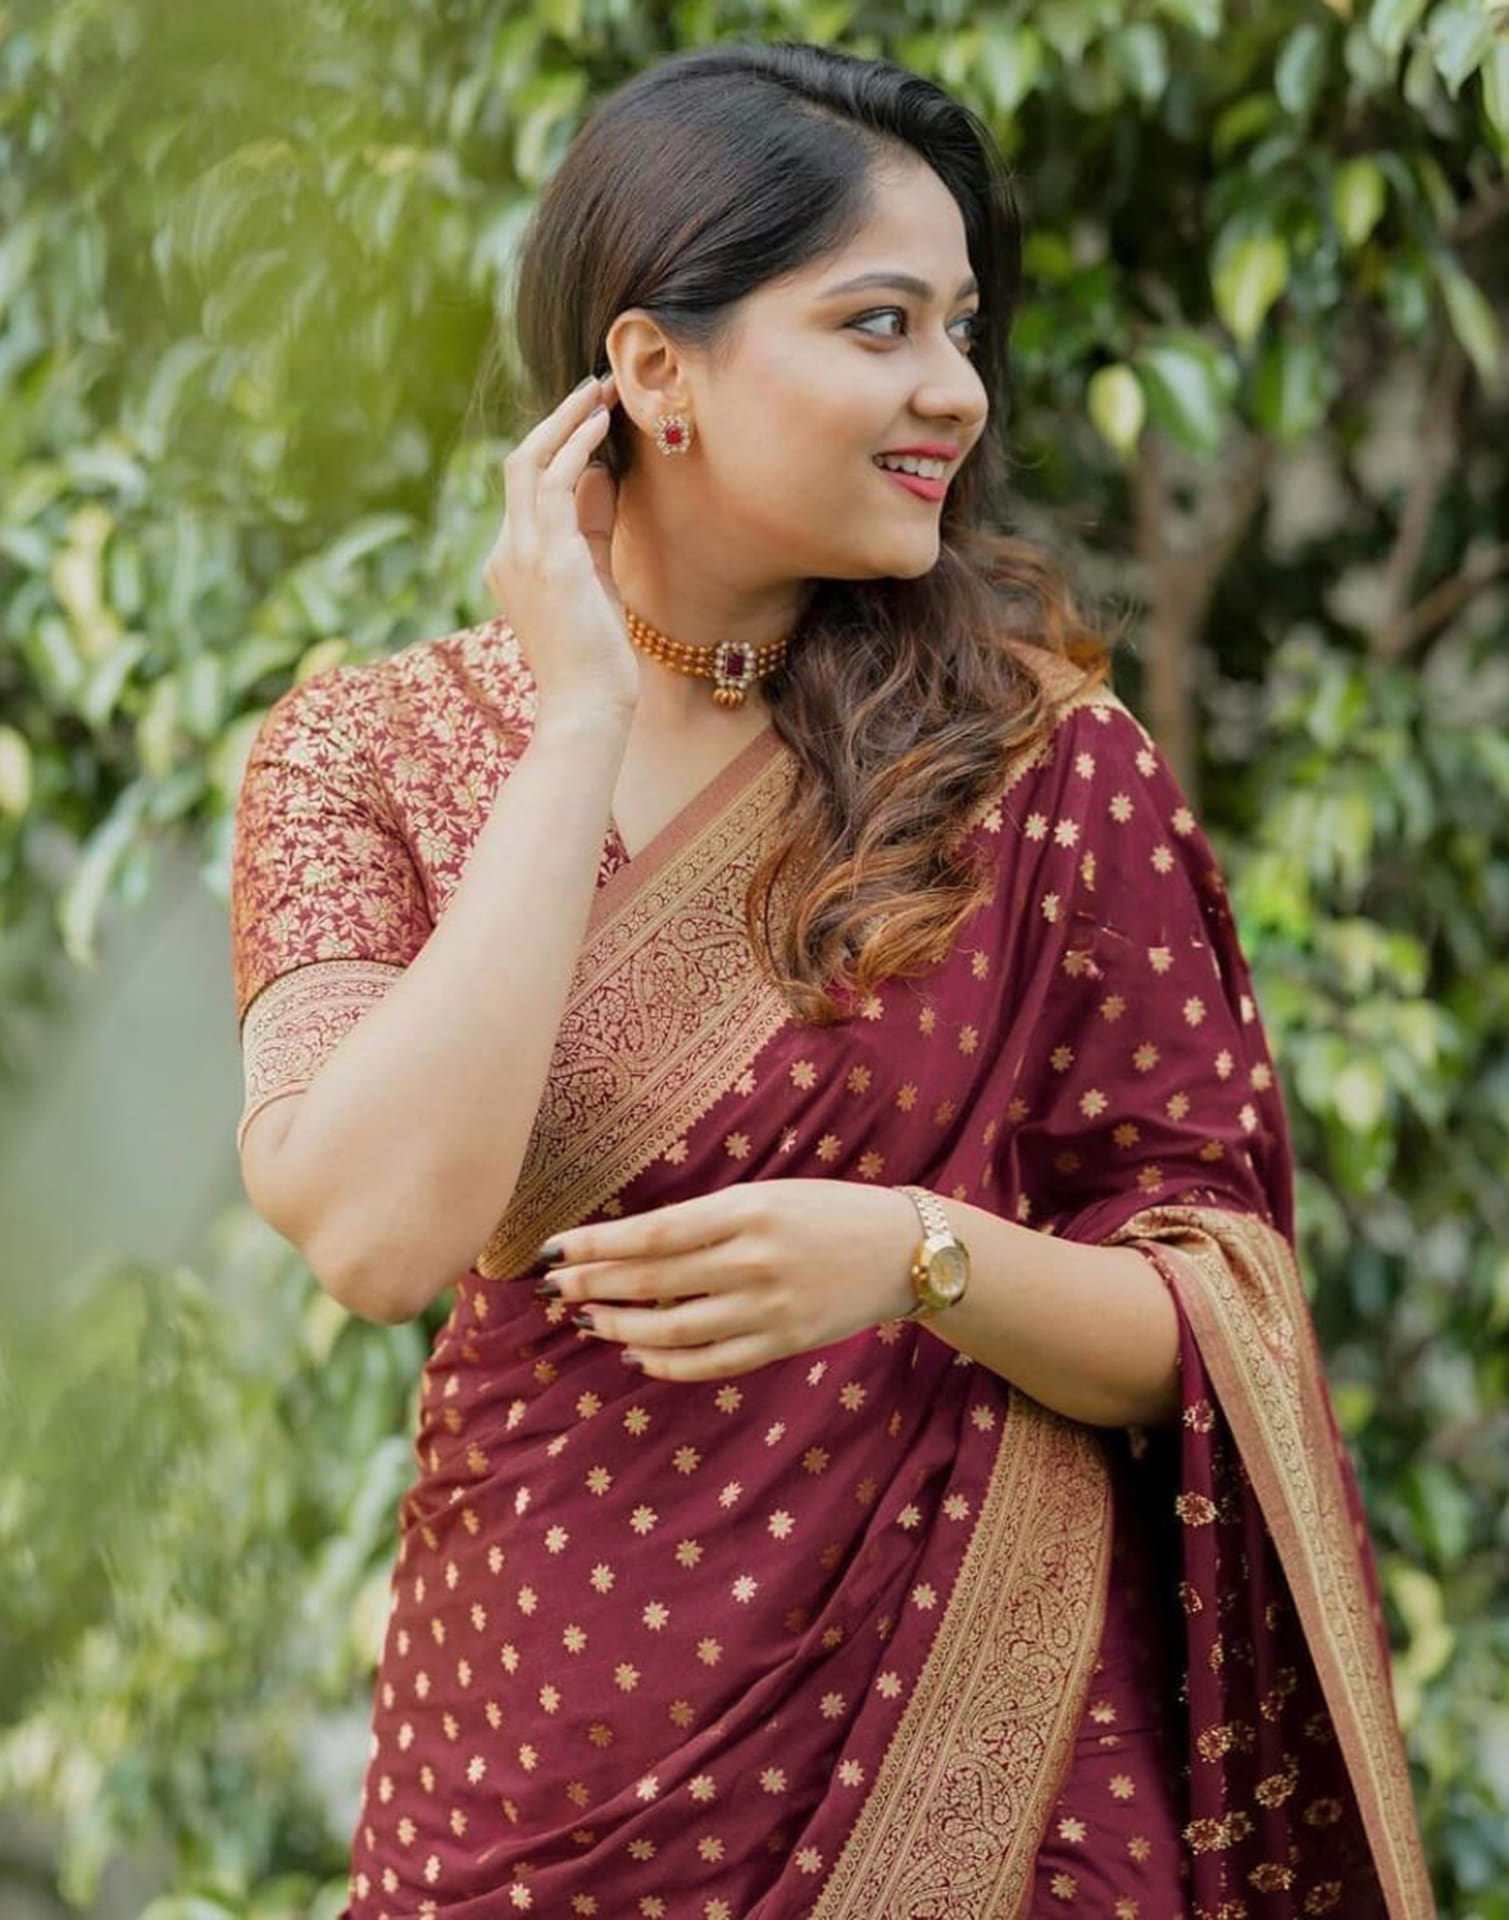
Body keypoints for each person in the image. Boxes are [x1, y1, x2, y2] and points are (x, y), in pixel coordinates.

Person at [228, 40, 1432, 1920]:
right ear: (652, 372)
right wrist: (576, 731)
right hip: (537, 1771)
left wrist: (913, 1255)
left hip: (985, 1763)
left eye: (959, 330)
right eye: (878, 325)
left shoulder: (1042, 775)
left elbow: (1221, 1312)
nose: (950, 389)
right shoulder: (366, 754)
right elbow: (381, 1235)